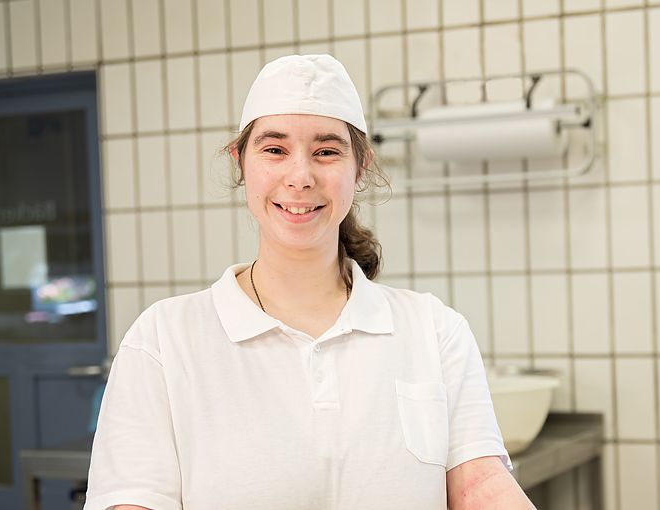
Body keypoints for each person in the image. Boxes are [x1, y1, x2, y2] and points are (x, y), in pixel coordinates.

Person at [84, 54, 535, 510]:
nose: (300, 177)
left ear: (361, 169)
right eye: (275, 150)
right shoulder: (164, 340)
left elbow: (479, 486)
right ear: (242, 163)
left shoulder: (434, 330)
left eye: (326, 151)